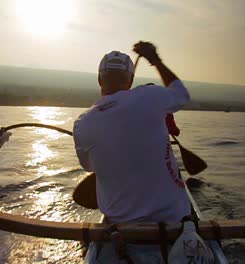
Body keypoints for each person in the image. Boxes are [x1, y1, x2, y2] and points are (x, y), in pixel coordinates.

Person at [73, 41, 192, 225]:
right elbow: (181, 94)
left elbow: (90, 167)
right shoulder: (150, 96)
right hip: (174, 220)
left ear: (99, 79)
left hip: (120, 227)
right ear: (130, 80)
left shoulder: (82, 123)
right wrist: (155, 60)